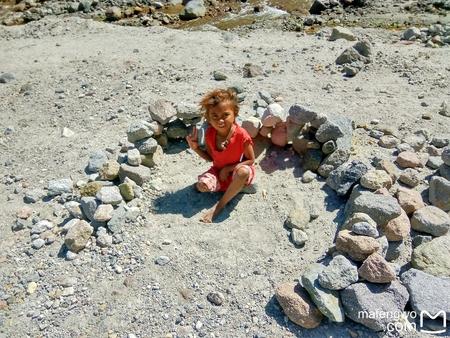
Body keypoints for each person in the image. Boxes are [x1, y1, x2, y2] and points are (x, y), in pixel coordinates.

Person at [186, 88, 256, 223]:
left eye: (225, 115)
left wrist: (229, 168)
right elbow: (211, 158)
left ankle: (220, 206)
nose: (220, 120)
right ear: (208, 118)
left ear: (235, 113)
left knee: (242, 173)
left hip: (238, 170)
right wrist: (195, 148)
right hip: (219, 173)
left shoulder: (241, 135)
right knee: (202, 185)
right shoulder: (210, 134)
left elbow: (251, 160)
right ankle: (230, 189)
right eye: (215, 116)